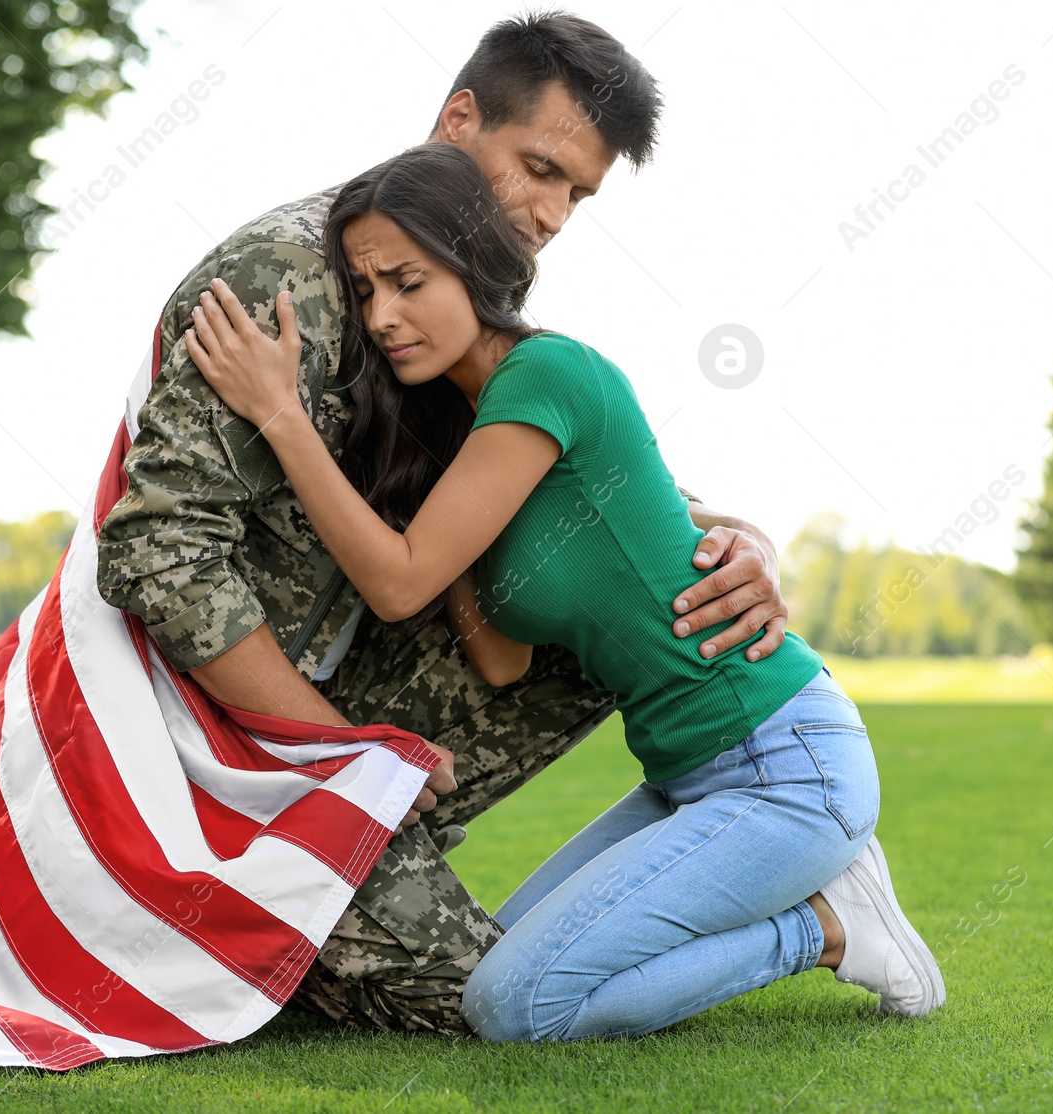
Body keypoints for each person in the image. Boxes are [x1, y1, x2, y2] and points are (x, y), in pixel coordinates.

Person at [96, 10, 795, 1037]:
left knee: (612, 578)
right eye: (540, 169)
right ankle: (807, 916)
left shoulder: (478, 304)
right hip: (216, 731)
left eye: (577, 195)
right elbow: (159, 551)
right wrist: (344, 764)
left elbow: (589, 491)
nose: (553, 213)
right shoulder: (283, 274)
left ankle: (765, 845)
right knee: (489, 1003)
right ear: (458, 120)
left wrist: (747, 542)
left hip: (366, 697)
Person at [181, 141, 947, 1040]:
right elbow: (501, 662)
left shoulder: (549, 376)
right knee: (504, 961)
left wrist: (280, 417)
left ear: (477, 266)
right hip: (688, 780)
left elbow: (397, 586)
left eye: (408, 281)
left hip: (786, 764)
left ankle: (823, 928)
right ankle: (816, 899)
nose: (383, 316)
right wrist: (431, 505)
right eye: (363, 293)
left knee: (517, 1005)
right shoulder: (480, 441)